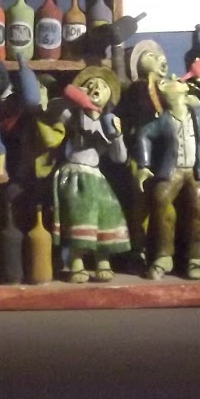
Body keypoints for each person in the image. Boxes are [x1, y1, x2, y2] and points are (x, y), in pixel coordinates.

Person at [131, 72, 200, 280]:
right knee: (160, 197)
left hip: (194, 170)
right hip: (173, 170)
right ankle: (164, 256)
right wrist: (144, 165)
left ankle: (196, 258)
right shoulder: (163, 120)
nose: (173, 78)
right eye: (166, 82)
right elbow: (144, 134)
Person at [50, 66, 130, 283]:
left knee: (106, 213)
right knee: (80, 213)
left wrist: (117, 136)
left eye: (102, 86)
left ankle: (103, 260)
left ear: (109, 96)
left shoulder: (107, 122)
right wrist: (74, 98)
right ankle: (76, 261)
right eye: (90, 85)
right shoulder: (74, 116)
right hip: (75, 175)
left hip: (96, 176)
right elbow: (54, 109)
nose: (96, 89)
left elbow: (119, 158)